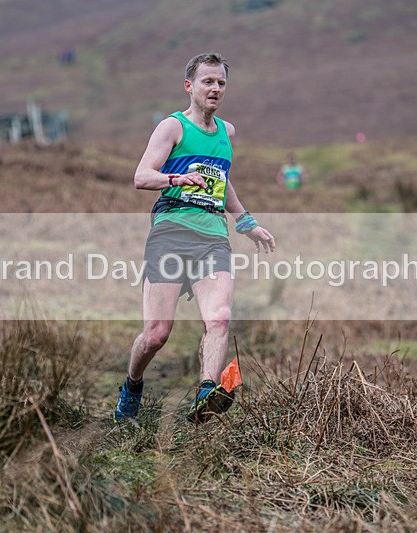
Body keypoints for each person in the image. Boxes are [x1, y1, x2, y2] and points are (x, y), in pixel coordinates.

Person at [114, 52, 276, 424]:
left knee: (219, 319)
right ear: (189, 86)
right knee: (156, 334)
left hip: (213, 236)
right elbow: (141, 176)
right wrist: (177, 178)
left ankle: (206, 393)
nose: (215, 88)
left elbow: (222, 180)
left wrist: (246, 221)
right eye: (208, 81)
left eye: (221, 82)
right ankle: (132, 386)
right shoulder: (172, 127)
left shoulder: (226, 132)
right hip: (171, 230)